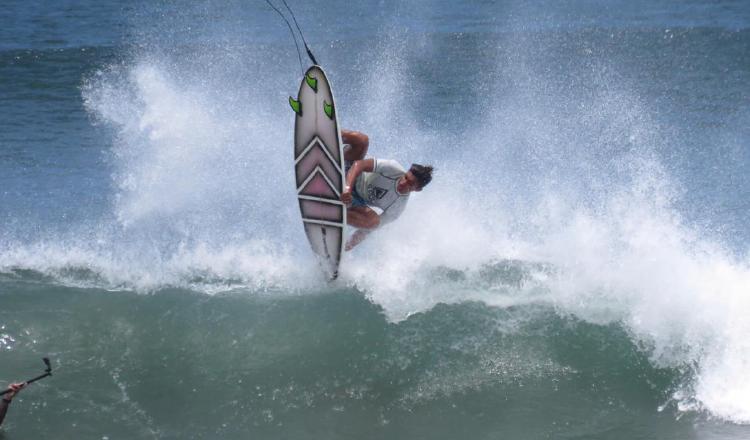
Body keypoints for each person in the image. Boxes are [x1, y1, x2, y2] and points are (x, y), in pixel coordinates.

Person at [340, 129, 433, 250]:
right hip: (347, 171)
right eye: (405, 177)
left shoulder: (398, 206)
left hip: (353, 200)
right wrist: (347, 188)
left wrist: (347, 246)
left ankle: (334, 214)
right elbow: (359, 165)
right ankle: (327, 132)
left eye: (410, 184)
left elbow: (367, 230)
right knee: (362, 140)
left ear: (417, 189)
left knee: (373, 222)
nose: (403, 183)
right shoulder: (392, 168)